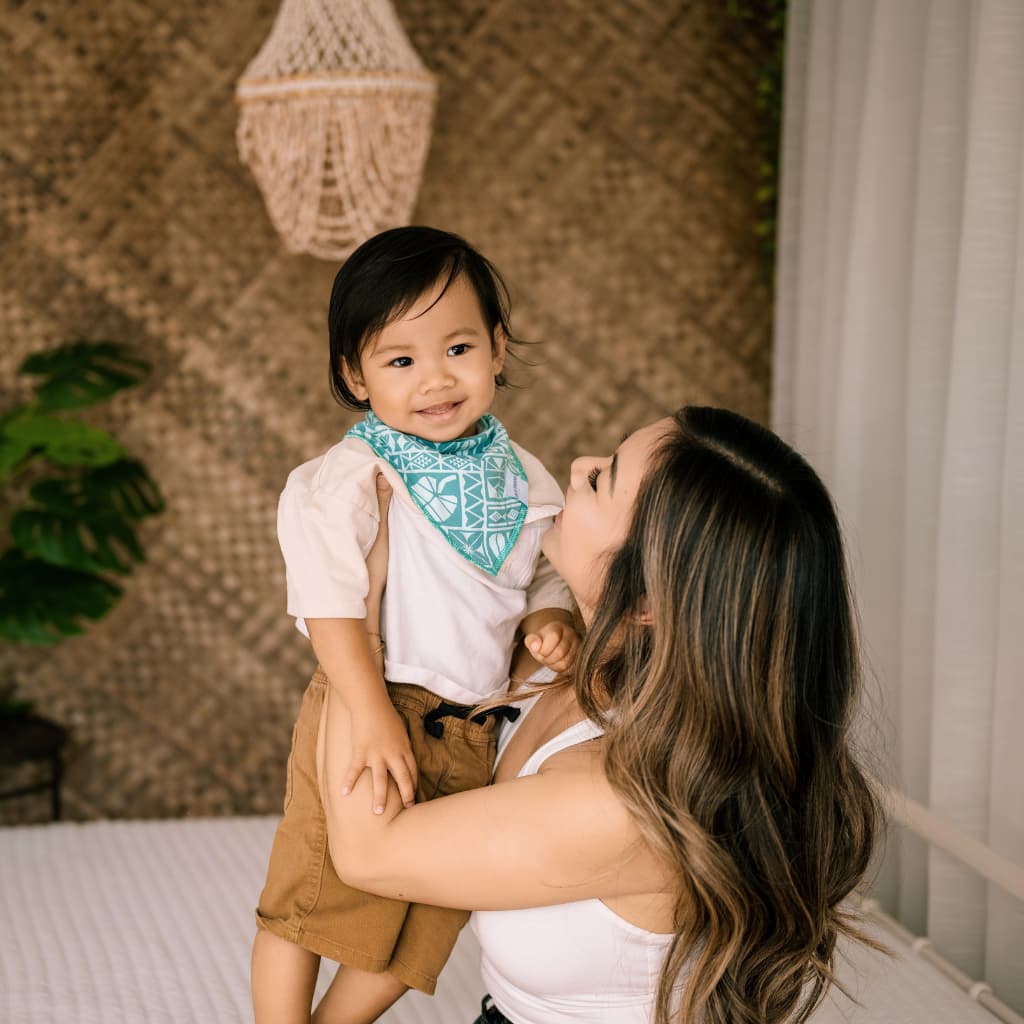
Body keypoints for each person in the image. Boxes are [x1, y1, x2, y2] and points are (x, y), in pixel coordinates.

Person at [318, 406, 883, 1024]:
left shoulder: (625, 799)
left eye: (601, 479)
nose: (578, 464)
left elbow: (369, 853)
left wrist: (352, 612)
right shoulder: (564, 655)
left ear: (645, 598)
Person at [251, 227, 580, 1024]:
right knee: (313, 898)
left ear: (496, 348)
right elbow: (329, 605)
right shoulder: (355, 476)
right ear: (353, 375)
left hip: (475, 728)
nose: (435, 378)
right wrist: (368, 715)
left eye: (458, 348)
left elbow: (540, 566)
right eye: (400, 360)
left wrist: (548, 615)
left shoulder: (519, 476)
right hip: (375, 700)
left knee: (431, 918)